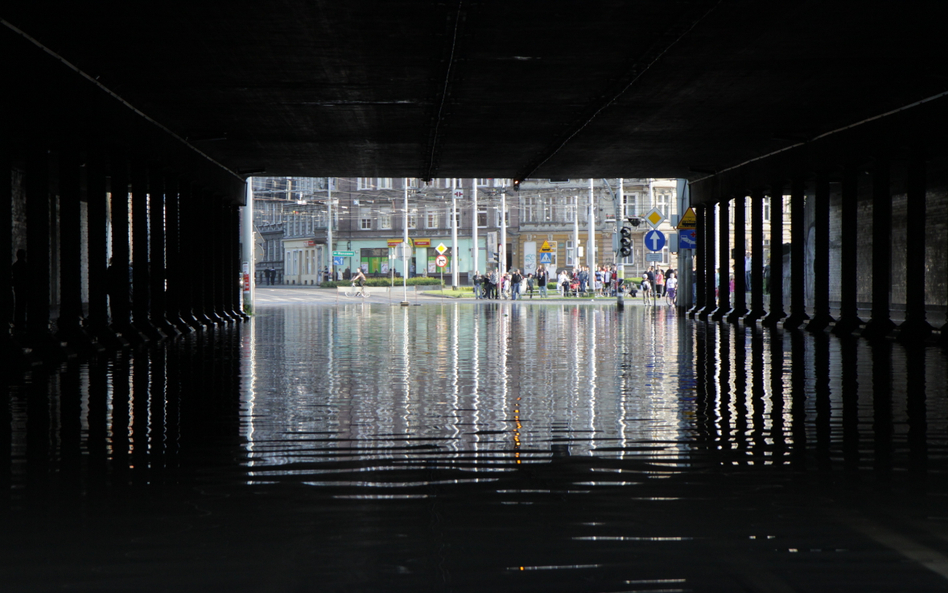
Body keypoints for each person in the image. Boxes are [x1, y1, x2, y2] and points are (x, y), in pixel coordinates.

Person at [11, 249, 28, 332]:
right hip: (24, 288)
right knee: (23, 305)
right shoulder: (25, 266)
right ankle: (22, 323)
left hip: (18, 288)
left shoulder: (15, 266)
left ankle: (18, 323)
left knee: (18, 305)